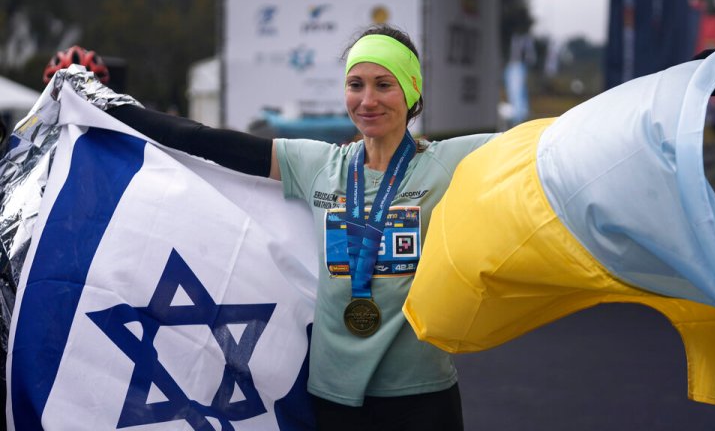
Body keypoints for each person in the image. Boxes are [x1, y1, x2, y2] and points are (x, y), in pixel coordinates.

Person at [66, 25, 497, 430]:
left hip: (422, 397)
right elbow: (207, 142)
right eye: (356, 84)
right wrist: (109, 105)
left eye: (384, 85)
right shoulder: (320, 166)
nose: (367, 100)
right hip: (335, 396)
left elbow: (546, 153)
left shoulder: (449, 162)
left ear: (412, 90)